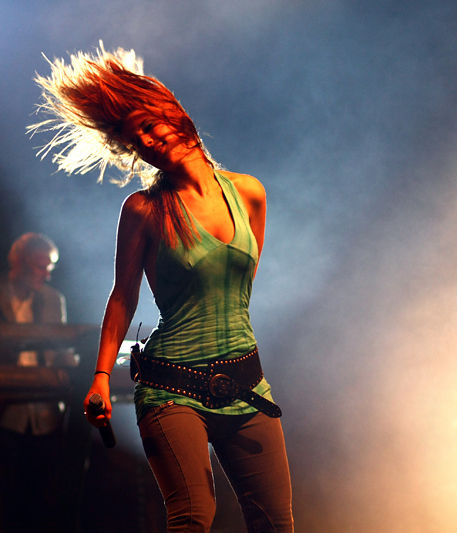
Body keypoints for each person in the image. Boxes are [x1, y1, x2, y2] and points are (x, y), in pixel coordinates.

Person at [30, 43, 293, 532]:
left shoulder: (249, 193)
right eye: (137, 141)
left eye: (150, 126)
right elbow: (122, 297)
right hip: (171, 387)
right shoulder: (143, 210)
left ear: (175, 115)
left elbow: (241, 285)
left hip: (245, 382)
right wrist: (101, 376)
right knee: (192, 516)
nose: (148, 142)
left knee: (276, 523)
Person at [0, 232, 77, 531]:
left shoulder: (53, 299)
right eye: (39, 266)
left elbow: (61, 353)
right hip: (5, 412)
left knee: (43, 499)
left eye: (49, 268)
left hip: (46, 414)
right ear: (18, 262)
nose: (46, 274)